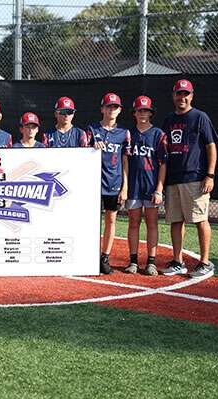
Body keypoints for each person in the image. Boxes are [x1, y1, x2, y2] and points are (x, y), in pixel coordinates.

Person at [161, 79, 218, 278]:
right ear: (173, 95)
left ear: (192, 96)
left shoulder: (200, 117)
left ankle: (205, 262)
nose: (182, 97)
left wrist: (209, 175)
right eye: (179, 93)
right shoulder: (168, 120)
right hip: (173, 178)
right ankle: (178, 261)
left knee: (200, 219)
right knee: (176, 221)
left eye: (186, 94)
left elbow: (211, 146)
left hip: (195, 177)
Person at [86, 93, 131, 274]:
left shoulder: (123, 133)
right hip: (94, 184)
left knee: (111, 221)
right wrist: (91, 147)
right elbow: (82, 154)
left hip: (114, 183)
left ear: (119, 110)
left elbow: (125, 161)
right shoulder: (91, 130)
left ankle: (104, 257)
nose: (111, 110)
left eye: (115, 107)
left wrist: (125, 186)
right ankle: (89, 256)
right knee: (91, 221)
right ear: (102, 109)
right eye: (108, 106)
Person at [123, 95, 168, 276]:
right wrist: (124, 187)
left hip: (151, 187)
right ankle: (133, 261)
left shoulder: (158, 134)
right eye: (139, 110)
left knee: (152, 224)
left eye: (146, 110)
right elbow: (124, 162)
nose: (143, 113)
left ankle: (151, 262)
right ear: (134, 113)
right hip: (133, 186)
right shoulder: (128, 134)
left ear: (151, 113)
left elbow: (163, 164)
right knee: (133, 224)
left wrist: (159, 189)